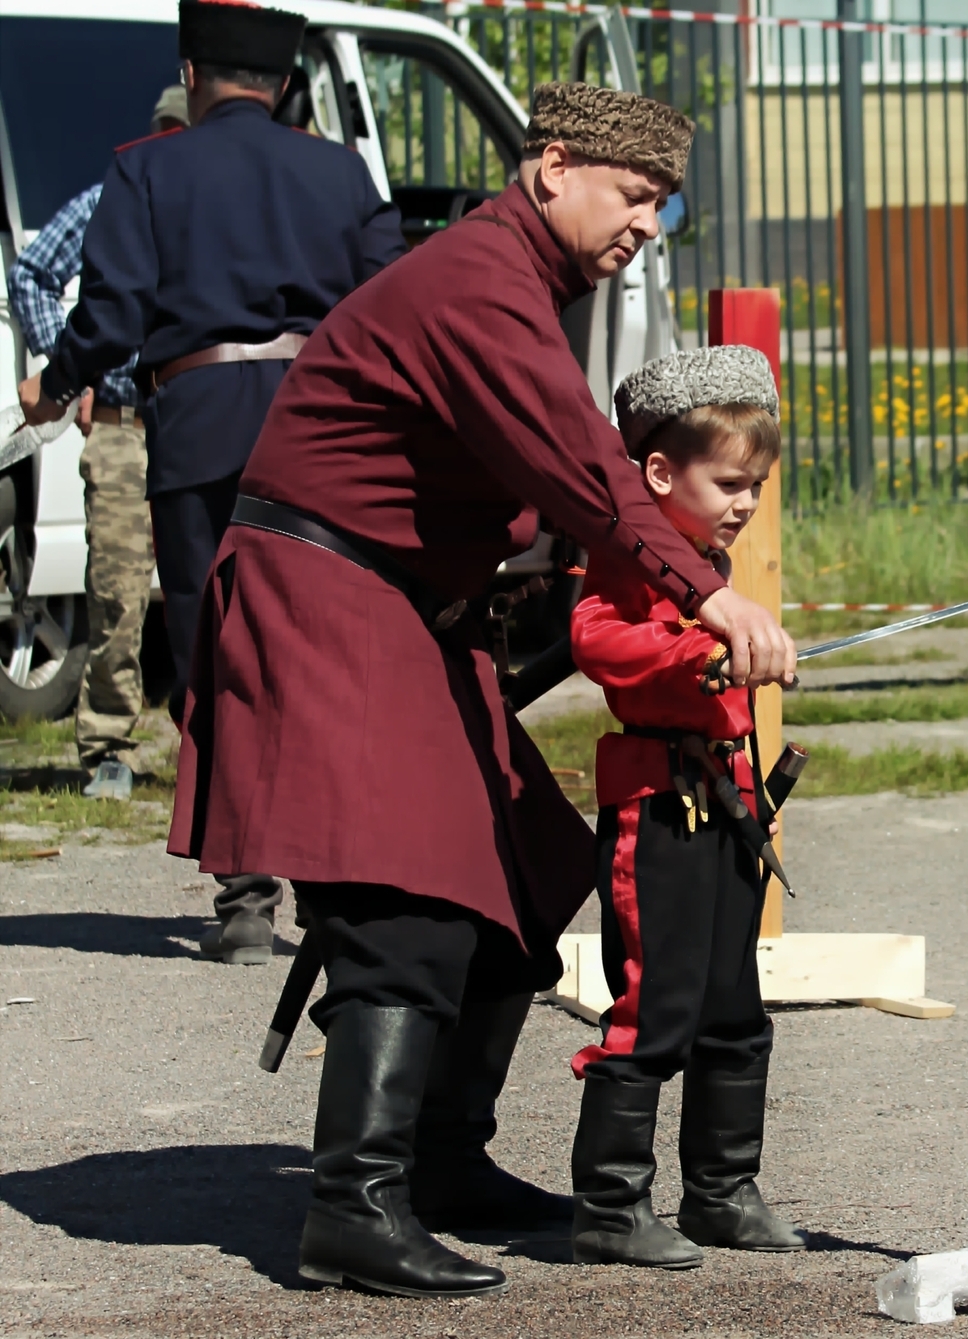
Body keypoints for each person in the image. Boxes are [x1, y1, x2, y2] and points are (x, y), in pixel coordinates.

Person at [159, 81, 796, 1299]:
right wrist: (706, 596)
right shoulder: (478, 282)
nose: (648, 224)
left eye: (662, 204)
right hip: (327, 594)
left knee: (531, 870)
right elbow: (583, 466)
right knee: (409, 893)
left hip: (407, 609)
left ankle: (443, 1160)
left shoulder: (518, 282)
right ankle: (354, 1204)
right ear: (553, 167)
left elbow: (542, 477)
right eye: (634, 194)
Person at [17, 0, 407, 960]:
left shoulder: (147, 167)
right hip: (321, 435)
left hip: (198, 436)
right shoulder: (341, 172)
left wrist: (54, 383)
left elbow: (112, 316)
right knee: (320, 653)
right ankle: (333, 892)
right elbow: (391, 302)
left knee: (218, 655)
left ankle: (245, 899)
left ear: (192, 77)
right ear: (284, 85)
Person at [567, 346, 807, 1269]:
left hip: (729, 805)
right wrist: (689, 652)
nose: (747, 502)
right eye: (730, 483)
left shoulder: (712, 561)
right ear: (661, 474)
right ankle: (609, 1203)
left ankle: (722, 1191)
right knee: (654, 1005)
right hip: (657, 812)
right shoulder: (630, 558)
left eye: (757, 486)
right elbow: (596, 637)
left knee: (734, 1007)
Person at [6, 85, 187, 802]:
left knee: (210, 587)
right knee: (116, 592)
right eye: (166, 132)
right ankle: (108, 746)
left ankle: (212, 744)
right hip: (120, 423)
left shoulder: (218, 207)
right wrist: (69, 369)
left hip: (196, 420)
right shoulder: (112, 198)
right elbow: (32, 274)